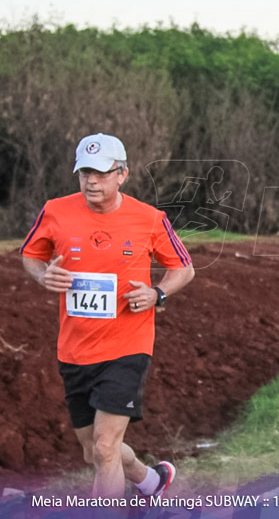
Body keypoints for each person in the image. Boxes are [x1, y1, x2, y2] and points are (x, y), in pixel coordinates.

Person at [20, 133, 194, 499]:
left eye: (100, 173)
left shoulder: (149, 219)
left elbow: (183, 268)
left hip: (127, 348)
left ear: (122, 174)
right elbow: (31, 255)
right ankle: (151, 481)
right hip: (74, 350)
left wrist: (157, 292)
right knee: (94, 452)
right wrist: (42, 275)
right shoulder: (55, 211)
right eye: (84, 172)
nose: (91, 181)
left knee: (104, 448)